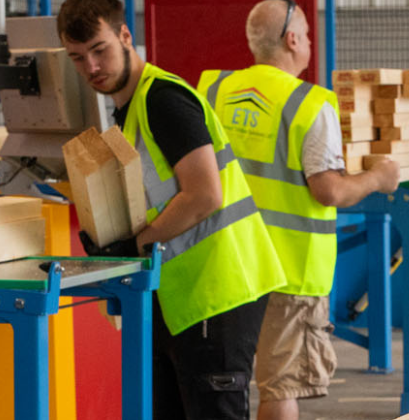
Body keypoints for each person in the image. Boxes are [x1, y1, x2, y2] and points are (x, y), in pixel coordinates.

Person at [57, 1, 287, 418]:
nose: (91, 66)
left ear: (126, 37)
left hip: (217, 292)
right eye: (77, 57)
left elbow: (205, 195)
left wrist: (133, 244)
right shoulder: (129, 113)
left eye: (99, 49)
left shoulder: (163, 99)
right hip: (181, 296)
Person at [196, 2, 402, 419]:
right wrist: (379, 178)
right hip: (288, 269)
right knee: (280, 386)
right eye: (307, 35)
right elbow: (328, 190)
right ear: (292, 40)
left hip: (225, 263)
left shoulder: (212, 91)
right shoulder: (309, 104)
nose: (308, 43)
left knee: (220, 382)